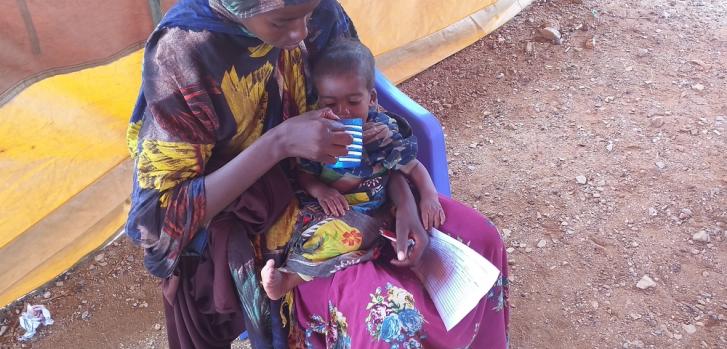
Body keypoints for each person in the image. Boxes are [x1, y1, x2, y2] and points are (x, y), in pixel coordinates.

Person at [125, 0, 509, 348]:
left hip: (366, 191)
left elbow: (367, 128)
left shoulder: (321, 14)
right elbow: (162, 217)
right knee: (386, 318)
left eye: (307, 15)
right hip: (275, 223)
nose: (301, 35)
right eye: (282, 21)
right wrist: (279, 144)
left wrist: (406, 199)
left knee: (482, 240)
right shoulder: (184, 54)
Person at [260, 39, 446, 301]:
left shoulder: (384, 133)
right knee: (318, 236)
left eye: (354, 101)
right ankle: (288, 278)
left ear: (371, 99)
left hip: (377, 210)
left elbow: (413, 167)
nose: (343, 112)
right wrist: (321, 190)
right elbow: (303, 174)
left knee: (385, 235)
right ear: (319, 103)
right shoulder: (317, 137)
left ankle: (410, 264)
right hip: (333, 211)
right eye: (331, 104)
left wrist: (429, 195)